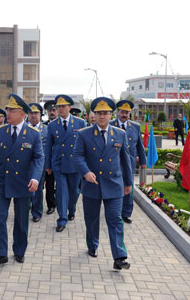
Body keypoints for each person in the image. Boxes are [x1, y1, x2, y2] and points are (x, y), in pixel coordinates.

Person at [73, 97, 133, 271]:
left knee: (115, 219)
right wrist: (85, 172)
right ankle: (92, 244)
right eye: (98, 113)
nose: (102, 116)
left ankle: (119, 256)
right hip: (92, 184)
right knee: (91, 219)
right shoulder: (84, 134)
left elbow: (125, 160)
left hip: (114, 184)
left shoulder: (120, 134)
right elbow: (77, 156)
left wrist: (128, 182)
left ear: (110, 115)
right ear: (94, 115)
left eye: (105, 113)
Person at [0, 94, 44, 268]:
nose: (8, 113)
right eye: (7, 110)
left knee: (21, 220)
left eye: (12, 110)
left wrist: (35, 178)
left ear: (22, 114)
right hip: (3, 181)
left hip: (23, 182)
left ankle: (19, 251)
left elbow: (39, 158)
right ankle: (0, 253)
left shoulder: (33, 134)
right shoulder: (1, 131)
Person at [45, 94, 86, 232]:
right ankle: (62, 219)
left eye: (63, 106)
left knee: (74, 191)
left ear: (70, 107)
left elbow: (84, 146)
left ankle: (72, 209)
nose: (60, 109)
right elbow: (48, 146)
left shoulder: (80, 123)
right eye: (59, 107)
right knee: (62, 192)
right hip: (59, 164)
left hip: (74, 164)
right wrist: (48, 165)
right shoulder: (52, 125)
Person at [110, 100, 146, 224]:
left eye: (127, 112)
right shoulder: (110, 125)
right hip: (113, 162)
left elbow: (140, 146)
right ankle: (114, 211)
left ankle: (126, 213)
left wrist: (143, 161)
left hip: (129, 162)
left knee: (128, 187)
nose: (124, 115)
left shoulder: (135, 126)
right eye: (122, 112)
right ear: (117, 112)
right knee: (114, 187)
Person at [27, 103, 48, 222]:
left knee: (38, 190)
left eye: (36, 113)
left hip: (39, 166)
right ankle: (25, 209)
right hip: (24, 165)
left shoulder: (46, 130)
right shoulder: (24, 128)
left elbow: (49, 149)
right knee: (25, 189)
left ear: (40, 115)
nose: (33, 115)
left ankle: (36, 212)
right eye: (31, 113)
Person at [42, 100, 57, 214]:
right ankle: (51, 205)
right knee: (50, 184)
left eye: (54, 110)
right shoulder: (45, 126)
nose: (52, 112)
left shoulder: (62, 125)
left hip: (60, 159)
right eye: (49, 110)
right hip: (48, 160)